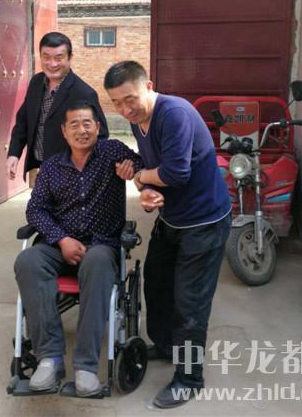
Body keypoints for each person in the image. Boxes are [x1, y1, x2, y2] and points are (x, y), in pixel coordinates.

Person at [104, 61, 231, 409]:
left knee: (190, 303)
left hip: (204, 222)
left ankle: (189, 379)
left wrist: (140, 177)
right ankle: (166, 344)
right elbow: (152, 173)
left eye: (130, 99)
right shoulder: (139, 121)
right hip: (172, 219)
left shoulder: (173, 113)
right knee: (157, 284)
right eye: (117, 103)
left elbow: (175, 172)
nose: (125, 109)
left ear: (148, 86)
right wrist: (146, 190)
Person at [13, 101, 142, 397]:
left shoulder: (111, 151)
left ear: (97, 127)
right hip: (59, 246)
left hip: (100, 246)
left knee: (97, 261)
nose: (82, 130)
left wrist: (132, 169)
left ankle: (85, 366)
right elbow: (36, 210)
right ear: (64, 131)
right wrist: (62, 239)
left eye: (87, 123)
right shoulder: (51, 167)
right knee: (27, 261)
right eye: (74, 124)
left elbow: (141, 164)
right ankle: (50, 359)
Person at [7, 32, 108, 180]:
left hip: (70, 173)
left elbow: (101, 136)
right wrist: (14, 154)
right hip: (41, 168)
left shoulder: (84, 93)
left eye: (58, 58)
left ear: (70, 58)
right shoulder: (36, 82)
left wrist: (82, 170)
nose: (52, 64)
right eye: (46, 57)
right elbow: (23, 122)